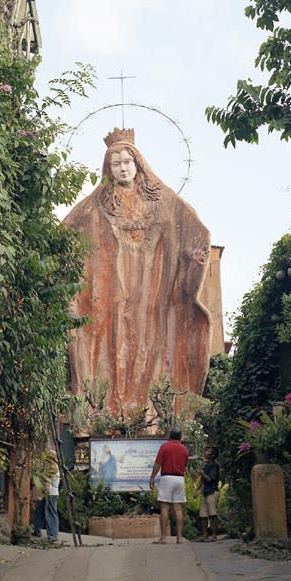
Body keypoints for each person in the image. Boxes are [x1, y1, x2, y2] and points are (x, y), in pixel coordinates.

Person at [63, 128, 211, 414]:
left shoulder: (162, 200)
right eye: (115, 163)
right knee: (115, 340)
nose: (122, 168)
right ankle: (112, 408)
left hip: (152, 288)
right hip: (112, 289)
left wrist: (194, 255)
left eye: (127, 162)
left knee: (150, 342)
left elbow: (194, 230)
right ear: (108, 169)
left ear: (137, 163)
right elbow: (68, 232)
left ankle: (149, 409)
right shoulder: (96, 204)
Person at [149, 426, 189, 544]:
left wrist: (152, 477)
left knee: (164, 508)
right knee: (178, 509)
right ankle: (179, 538)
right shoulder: (184, 449)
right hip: (180, 479)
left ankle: (163, 538)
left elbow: (158, 463)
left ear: (170, 436)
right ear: (180, 436)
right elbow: (185, 466)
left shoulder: (165, 446)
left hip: (167, 478)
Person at [32, 450, 61, 543]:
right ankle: (37, 530)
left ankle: (53, 535)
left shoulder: (53, 467)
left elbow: (45, 477)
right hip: (48, 493)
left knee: (51, 513)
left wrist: (37, 475)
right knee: (39, 511)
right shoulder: (52, 466)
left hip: (51, 493)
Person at [196, 446, 219, 541]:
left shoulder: (214, 466)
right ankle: (205, 535)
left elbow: (209, 479)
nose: (205, 452)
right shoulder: (206, 466)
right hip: (206, 492)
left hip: (212, 491)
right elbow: (202, 480)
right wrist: (197, 490)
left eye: (208, 451)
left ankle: (214, 535)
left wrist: (202, 473)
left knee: (212, 514)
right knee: (203, 515)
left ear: (212, 455)